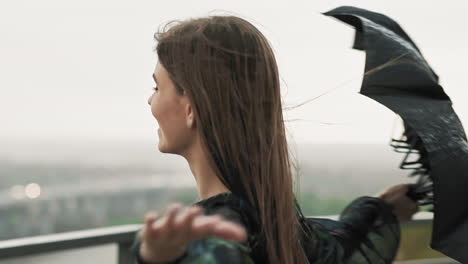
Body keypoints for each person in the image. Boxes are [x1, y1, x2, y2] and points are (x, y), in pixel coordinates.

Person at [131, 15, 419, 264]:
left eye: (157, 87)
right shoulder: (278, 223)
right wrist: (383, 208)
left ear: (190, 108)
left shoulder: (217, 231)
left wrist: (158, 257)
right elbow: (338, 249)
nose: (149, 100)